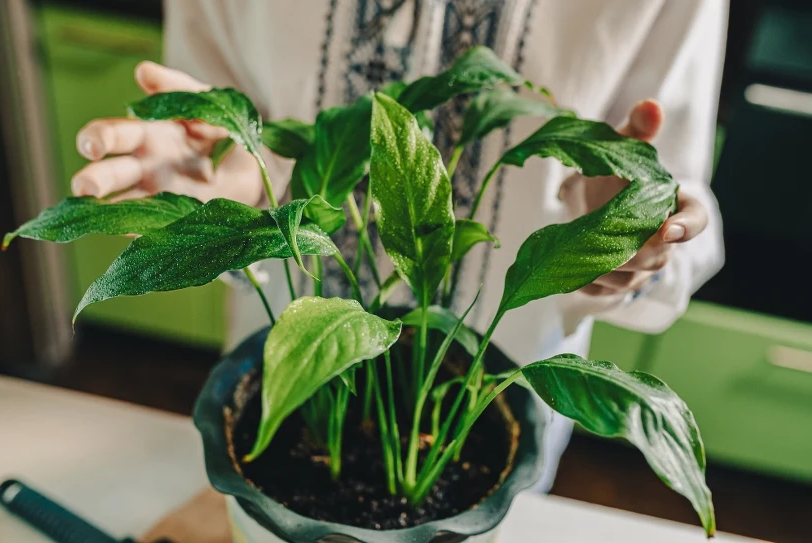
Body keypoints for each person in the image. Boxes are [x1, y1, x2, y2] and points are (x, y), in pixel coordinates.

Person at [70, 0, 726, 492]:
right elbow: (215, 102)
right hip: (286, 373)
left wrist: (618, 229)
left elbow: (669, 183)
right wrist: (217, 178)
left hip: (492, 410)